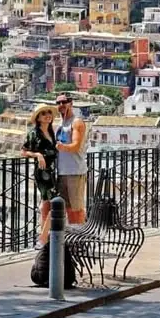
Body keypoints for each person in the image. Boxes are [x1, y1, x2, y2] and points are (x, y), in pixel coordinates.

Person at [21, 104, 59, 245]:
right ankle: (43, 238)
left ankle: (44, 235)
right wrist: (37, 154)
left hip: (53, 171)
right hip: (43, 173)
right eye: (44, 114)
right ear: (38, 118)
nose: (47, 115)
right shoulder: (34, 133)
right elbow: (23, 151)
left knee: (50, 204)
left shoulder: (51, 132)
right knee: (50, 203)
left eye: (49, 113)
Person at [55, 93, 88, 225]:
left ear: (71, 103)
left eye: (65, 102)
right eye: (58, 103)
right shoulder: (61, 123)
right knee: (66, 208)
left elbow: (75, 146)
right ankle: (72, 236)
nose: (61, 105)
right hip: (62, 172)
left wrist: (61, 147)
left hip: (74, 171)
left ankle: (80, 237)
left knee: (76, 208)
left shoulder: (76, 122)